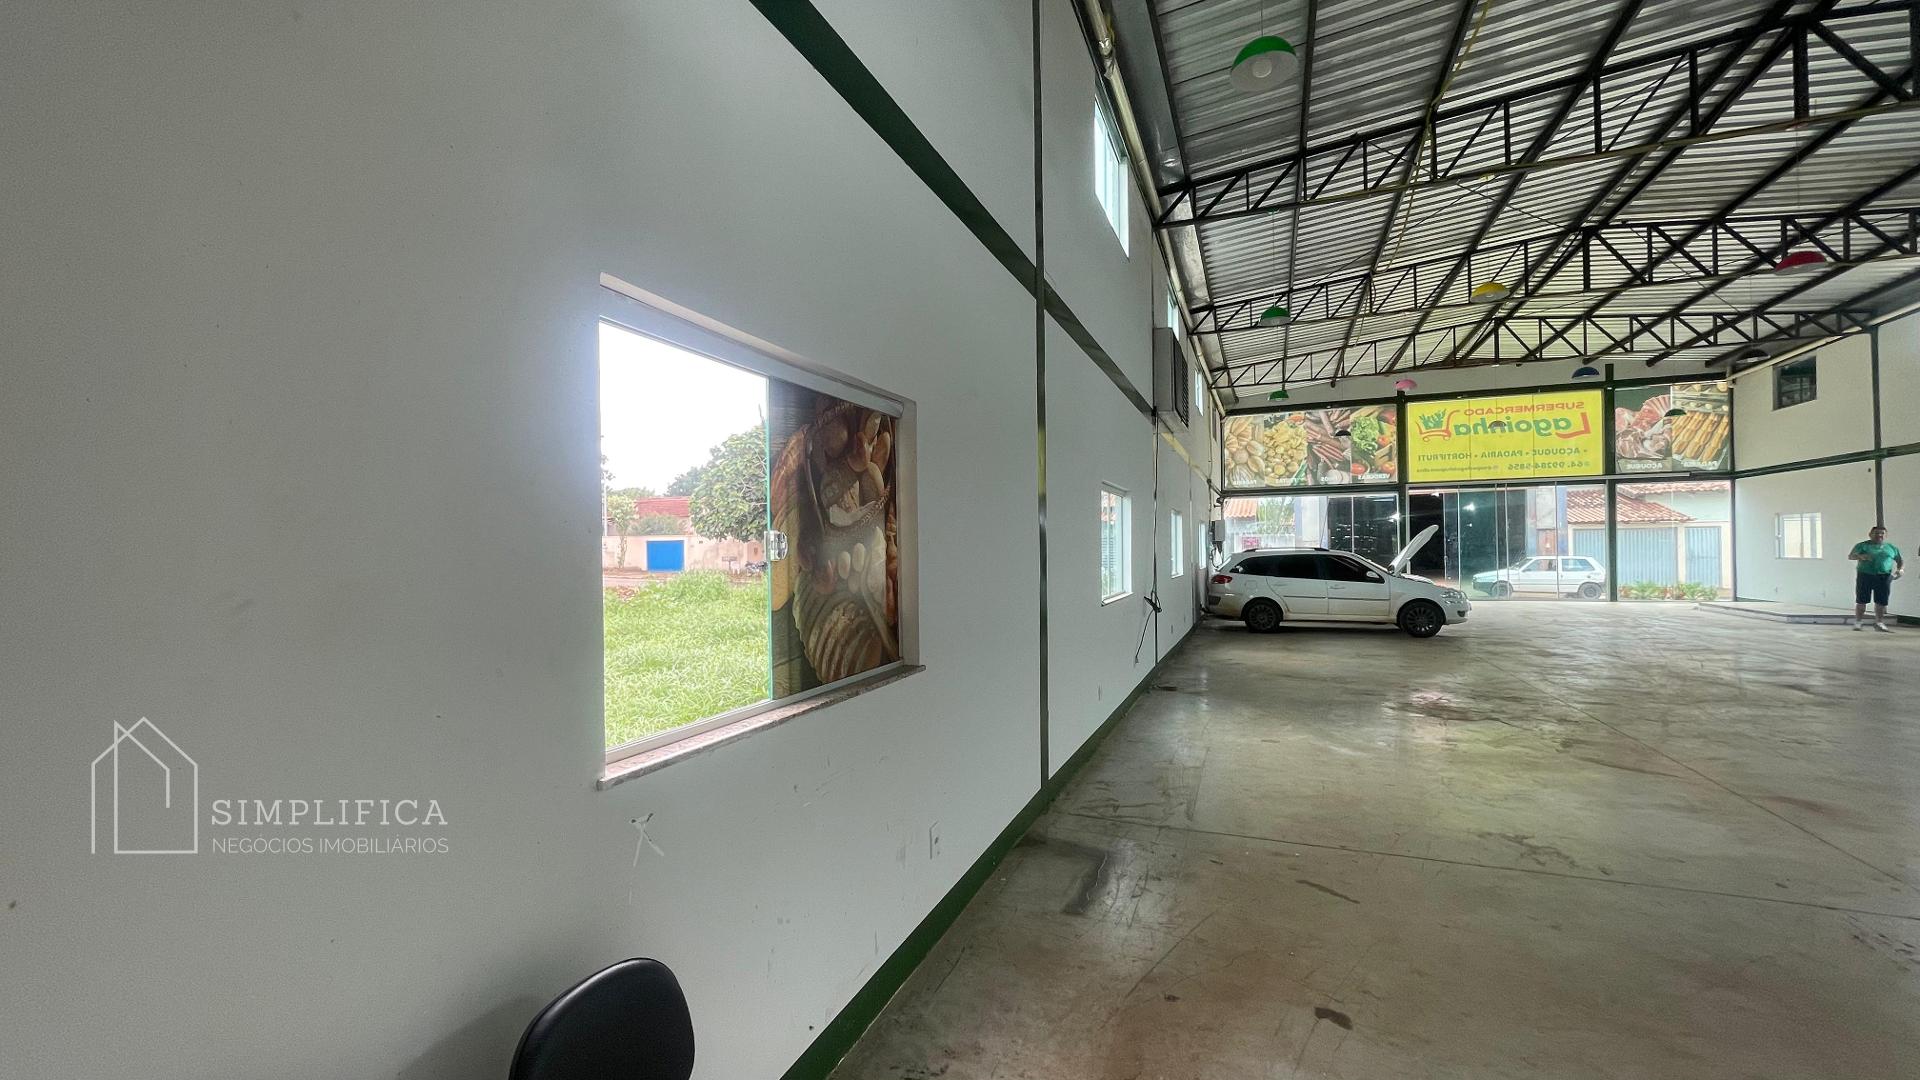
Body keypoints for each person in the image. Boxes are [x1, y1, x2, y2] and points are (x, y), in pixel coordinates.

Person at [1849, 525, 1904, 632]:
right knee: (1861, 600)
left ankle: (1879, 623)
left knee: (1881, 601)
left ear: (1885, 535)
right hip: (1865, 575)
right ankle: (1858, 622)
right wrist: (1861, 556)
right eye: (1876, 533)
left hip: (1884, 576)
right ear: (1870, 534)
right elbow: (1851, 556)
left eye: (1882, 533)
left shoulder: (1891, 548)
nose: (1879, 535)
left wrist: (1900, 570)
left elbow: (1900, 560)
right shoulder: (1863, 546)